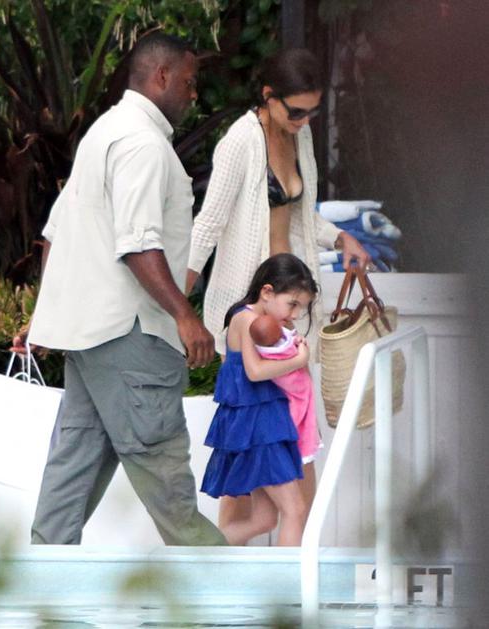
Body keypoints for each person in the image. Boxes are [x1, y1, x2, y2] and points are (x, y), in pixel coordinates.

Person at [11, 32, 226, 546]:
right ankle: (236, 595)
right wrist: (186, 316)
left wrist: (48, 315)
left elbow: (57, 234)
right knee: (174, 503)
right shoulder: (143, 144)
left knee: (66, 490)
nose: (193, 94)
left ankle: (40, 588)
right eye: (189, 82)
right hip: (132, 339)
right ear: (162, 76)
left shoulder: (104, 133)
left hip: (93, 341)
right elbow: (138, 244)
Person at [186, 47, 369, 531]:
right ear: (268, 97)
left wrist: (342, 238)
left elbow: (301, 215)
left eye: (313, 112)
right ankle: (228, 568)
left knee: (295, 448)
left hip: (291, 315)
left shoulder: (299, 137)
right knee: (245, 463)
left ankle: (288, 559)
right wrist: (179, 311)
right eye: (296, 111)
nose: (305, 122)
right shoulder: (239, 142)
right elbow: (207, 226)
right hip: (253, 317)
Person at [201, 253, 318, 546]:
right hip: (257, 428)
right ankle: (287, 578)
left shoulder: (265, 323)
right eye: (292, 304)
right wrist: (299, 359)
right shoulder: (246, 319)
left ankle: (202, 552)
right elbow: (254, 372)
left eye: (300, 308)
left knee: (265, 520)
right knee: (295, 509)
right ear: (267, 292)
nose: (295, 314)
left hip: (263, 426)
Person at [250, 315, 320, 466]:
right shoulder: (284, 347)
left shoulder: (261, 351)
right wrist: (301, 345)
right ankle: (301, 442)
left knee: (295, 411)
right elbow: (299, 352)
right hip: (297, 384)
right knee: (299, 410)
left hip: (283, 386)